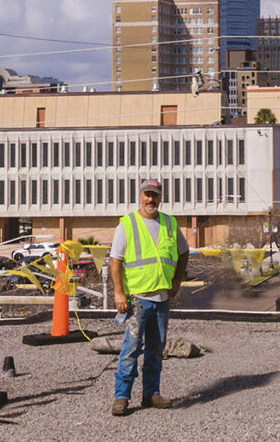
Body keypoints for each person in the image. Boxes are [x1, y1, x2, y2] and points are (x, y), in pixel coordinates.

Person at [109, 178, 189, 416]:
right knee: (131, 348)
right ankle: (121, 396)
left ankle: (150, 393)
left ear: (160, 197)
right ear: (140, 196)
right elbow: (115, 261)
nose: (150, 199)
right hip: (137, 299)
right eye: (147, 194)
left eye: (154, 195)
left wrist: (177, 281)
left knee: (156, 349)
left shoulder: (169, 224)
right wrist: (118, 292)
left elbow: (183, 253)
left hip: (162, 298)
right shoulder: (127, 224)